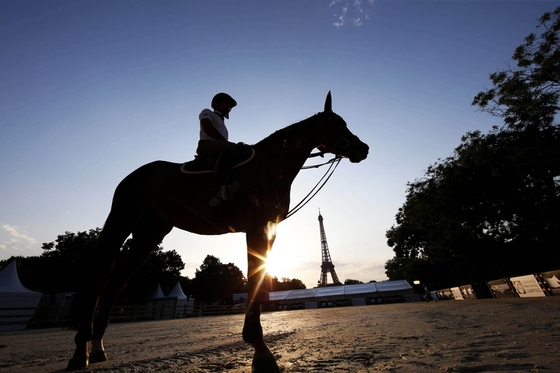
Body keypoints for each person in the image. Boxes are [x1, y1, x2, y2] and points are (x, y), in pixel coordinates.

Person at [196, 92, 245, 205]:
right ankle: (217, 187)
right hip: (206, 145)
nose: (229, 108)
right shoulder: (207, 112)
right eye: (226, 103)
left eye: (230, 106)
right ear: (217, 104)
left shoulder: (224, 126)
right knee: (236, 148)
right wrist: (227, 144)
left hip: (219, 149)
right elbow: (207, 127)